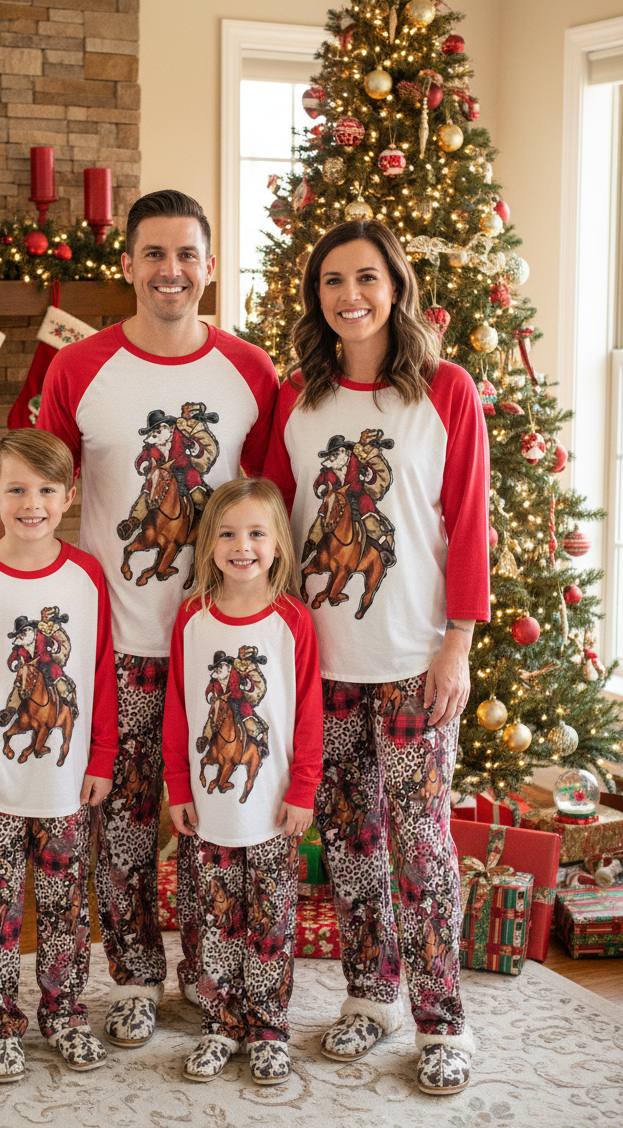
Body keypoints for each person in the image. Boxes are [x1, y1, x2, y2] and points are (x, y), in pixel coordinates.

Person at [0, 190, 279, 1047]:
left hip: (219, 641)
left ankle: (208, 974)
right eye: (153, 255)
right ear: (126, 265)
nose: (171, 271)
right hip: (112, 642)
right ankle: (131, 977)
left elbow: (277, 505)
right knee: (120, 827)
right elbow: (31, 485)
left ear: (209, 263)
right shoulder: (79, 368)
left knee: (213, 817)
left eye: (187, 255)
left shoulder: (250, 370)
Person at [263, 220, 490, 1096]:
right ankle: (371, 996)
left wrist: (458, 643)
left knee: (423, 848)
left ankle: (445, 1022)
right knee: (351, 845)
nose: (348, 295)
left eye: (365, 277)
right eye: (330, 281)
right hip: (322, 664)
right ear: (315, 296)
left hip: (412, 662)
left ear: (395, 285)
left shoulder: (445, 391)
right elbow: (273, 526)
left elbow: (468, 524)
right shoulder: (297, 397)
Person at [0, 429, 118, 1083]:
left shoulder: (86, 576)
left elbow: (98, 671)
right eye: (16, 490)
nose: (31, 503)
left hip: (69, 786)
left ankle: (66, 1015)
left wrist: (101, 757)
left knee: (68, 909)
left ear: (69, 498)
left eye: (46, 490)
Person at [163, 478, 323, 1085]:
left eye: (256, 533)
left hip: (273, 812)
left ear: (278, 544)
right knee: (214, 917)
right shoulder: (191, 621)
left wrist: (303, 789)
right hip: (209, 809)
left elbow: (308, 713)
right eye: (228, 533)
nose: (242, 545)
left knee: (271, 920)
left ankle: (268, 1028)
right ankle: (220, 1023)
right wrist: (178, 785)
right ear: (208, 545)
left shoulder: (292, 623)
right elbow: (178, 710)